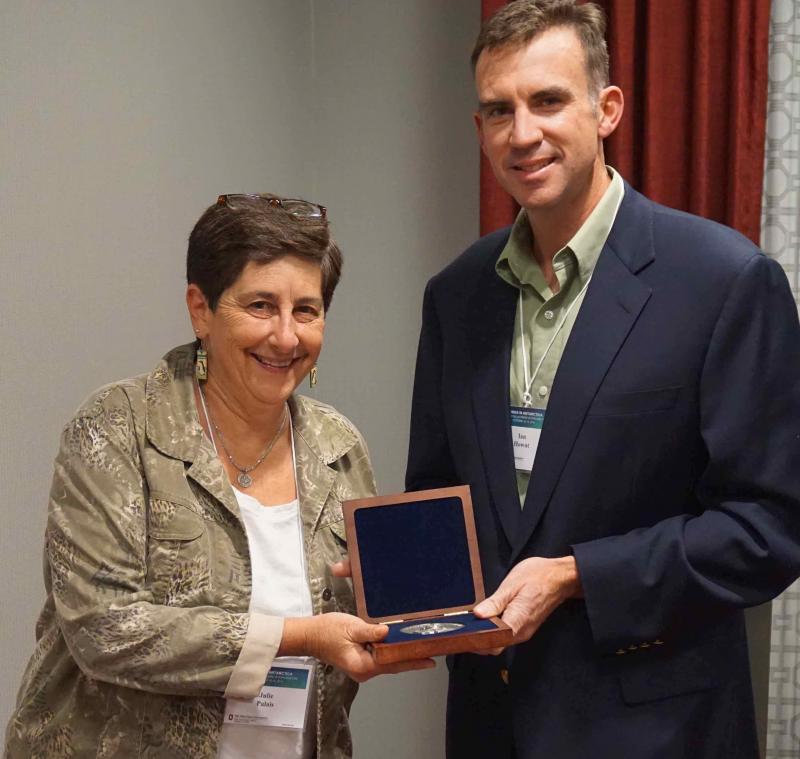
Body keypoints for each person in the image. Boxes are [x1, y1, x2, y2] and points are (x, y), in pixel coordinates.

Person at [405, 2, 800, 757]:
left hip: (656, 730)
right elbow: (440, 492)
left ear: (606, 109)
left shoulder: (724, 281)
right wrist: (395, 565)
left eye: (547, 100)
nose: (522, 133)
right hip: (490, 725)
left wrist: (578, 573)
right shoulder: (456, 295)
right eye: (497, 110)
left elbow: (770, 528)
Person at [5, 193, 433, 759]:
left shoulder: (339, 446)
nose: (285, 337)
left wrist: (401, 606)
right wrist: (299, 637)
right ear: (200, 309)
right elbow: (104, 628)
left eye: (306, 310)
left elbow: (353, 618)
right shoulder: (118, 427)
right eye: (260, 305)